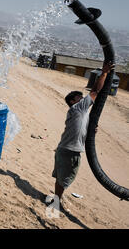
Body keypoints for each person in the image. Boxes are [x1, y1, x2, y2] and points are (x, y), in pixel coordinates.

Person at [50, 61, 115, 210]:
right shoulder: (78, 107)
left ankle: (56, 199)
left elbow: (80, 127)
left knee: (61, 178)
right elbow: (94, 92)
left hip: (64, 149)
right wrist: (104, 72)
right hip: (70, 151)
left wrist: (91, 130)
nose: (83, 98)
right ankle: (56, 202)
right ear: (73, 101)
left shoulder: (79, 112)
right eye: (80, 97)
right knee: (64, 178)